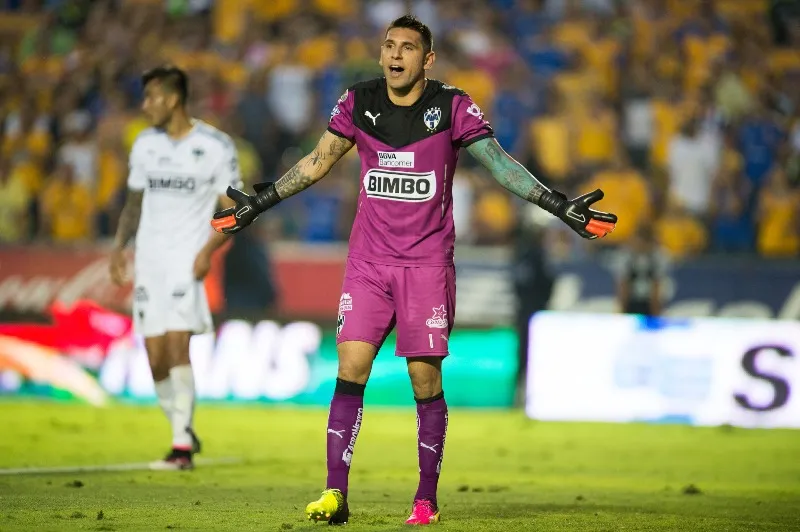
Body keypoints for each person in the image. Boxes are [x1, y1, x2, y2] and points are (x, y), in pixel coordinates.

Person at [211, 15, 617, 525]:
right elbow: (318, 162)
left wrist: (556, 205)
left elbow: (497, 161)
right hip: (368, 265)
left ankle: (425, 499)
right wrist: (261, 201)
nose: (395, 55)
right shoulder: (357, 101)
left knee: (424, 381)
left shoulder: (452, 105)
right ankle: (334, 494)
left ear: (427, 60)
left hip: (426, 266)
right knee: (349, 371)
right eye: (388, 46)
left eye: (407, 48)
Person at [109, 66, 241, 470]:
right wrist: (119, 247)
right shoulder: (145, 144)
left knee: (175, 346)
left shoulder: (216, 145)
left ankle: (180, 445)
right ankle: (182, 427)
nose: (145, 105)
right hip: (149, 262)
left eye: (151, 97)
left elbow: (234, 208)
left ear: (172, 99)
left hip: (187, 261)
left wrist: (207, 252)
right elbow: (134, 202)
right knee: (154, 357)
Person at [616, 226, 668, 317]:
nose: (640, 245)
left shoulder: (658, 257)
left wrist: (655, 308)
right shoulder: (626, 256)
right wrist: (623, 307)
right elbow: (623, 283)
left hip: (649, 301)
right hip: (631, 300)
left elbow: (657, 284)